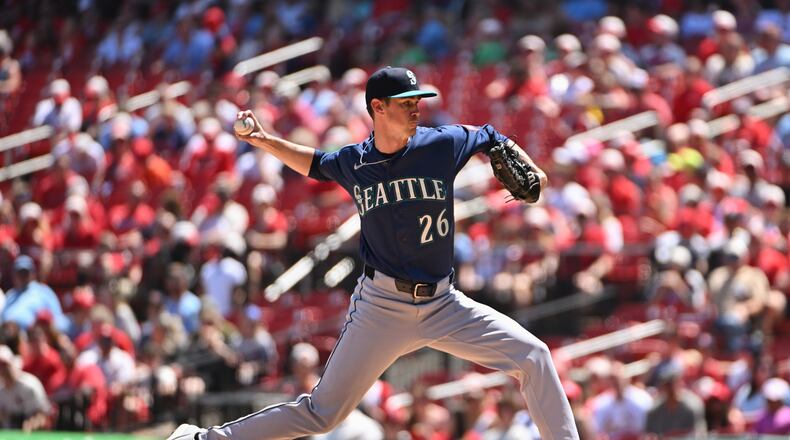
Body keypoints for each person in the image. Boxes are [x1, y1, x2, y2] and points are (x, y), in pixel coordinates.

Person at [169, 66, 577, 440]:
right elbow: (314, 163)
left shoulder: (441, 144)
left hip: (443, 303)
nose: (417, 108)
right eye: (407, 103)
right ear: (377, 108)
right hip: (381, 306)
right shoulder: (355, 162)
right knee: (322, 414)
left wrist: (530, 166)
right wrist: (262, 139)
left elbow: (492, 136)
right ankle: (203, 439)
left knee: (534, 356)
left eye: (418, 101)